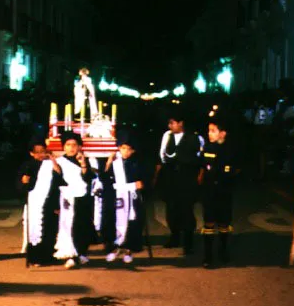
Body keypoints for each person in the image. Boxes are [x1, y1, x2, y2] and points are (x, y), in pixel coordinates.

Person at [155, 109, 200, 255]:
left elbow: (198, 158)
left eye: (173, 123)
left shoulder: (193, 137)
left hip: (186, 180)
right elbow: (162, 155)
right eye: (169, 123)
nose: (170, 126)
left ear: (181, 123)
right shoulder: (167, 136)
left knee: (186, 211)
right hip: (171, 180)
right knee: (172, 210)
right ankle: (174, 236)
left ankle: (188, 242)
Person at [199, 116, 239, 268]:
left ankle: (223, 250)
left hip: (224, 192)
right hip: (209, 192)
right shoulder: (207, 148)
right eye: (209, 131)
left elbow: (235, 170)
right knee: (208, 223)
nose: (209, 134)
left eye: (213, 131)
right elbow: (203, 167)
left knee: (224, 223)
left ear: (223, 133)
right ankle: (208, 256)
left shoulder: (231, 150)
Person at [100, 132, 145, 264]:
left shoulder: (136, 163)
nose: (126, 152)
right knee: (114, 221)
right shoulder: (115, 163)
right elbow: (105, 179)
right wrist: (108, 163)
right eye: (123, 148)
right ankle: (114, 248)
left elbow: (142, 180)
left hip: (131, 198)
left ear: (133, 150)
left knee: (131, 223)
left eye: (129, 149)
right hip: (116, 197)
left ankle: (128, 249)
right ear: (119, 148)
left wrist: (140, 184)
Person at [17, 137, 62, 267]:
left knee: (49, 228)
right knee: (35, 230)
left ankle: (48, 256)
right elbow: (20, 186)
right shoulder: (27, 165)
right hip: (34, 202)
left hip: (49, 200)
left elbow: (58, 180)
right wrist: (23, 182)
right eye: (38, 152)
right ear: (32, 153)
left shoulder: (51, 163)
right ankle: (35, 257)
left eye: (43, 151)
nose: (41, 155)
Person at [54, 131, 96, 269]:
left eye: (74, 145)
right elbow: (56, 181)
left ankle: (82, 253)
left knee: (83, 226)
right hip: (67, 198)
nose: (71, 148)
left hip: (83, 197)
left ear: (79, 146)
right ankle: (71, 255)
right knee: (68, 226)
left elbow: (89, 178)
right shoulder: (59, 162)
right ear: (63, 147)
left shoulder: (87, 160)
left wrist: (83, 164)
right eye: (68, 145)